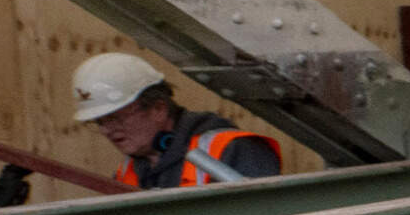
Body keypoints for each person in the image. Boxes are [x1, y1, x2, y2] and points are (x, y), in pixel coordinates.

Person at [71, 52, 282, 190]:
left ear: (158, 108)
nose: (108, 130)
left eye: (116, 118)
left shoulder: (233, 150)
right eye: (99, 122)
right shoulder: (128, 171)